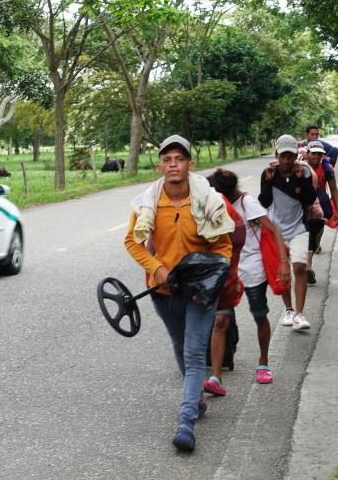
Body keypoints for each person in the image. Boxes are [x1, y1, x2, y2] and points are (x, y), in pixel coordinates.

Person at [124, 135, 234, 452]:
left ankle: (186, 421)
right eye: (168, 159)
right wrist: (156, 269)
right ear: (160, 166)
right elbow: (132, 241)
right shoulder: (147, 203)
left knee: (195, 352)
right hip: (163, 290)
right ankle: (196, 398)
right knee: (179, 343)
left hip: (201, 292)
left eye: (180, 159)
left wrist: (207, 287)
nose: (174, 164)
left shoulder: (209, 201)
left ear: (190, 165)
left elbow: (223, 247)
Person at [207, 169, 290, 387]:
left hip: (252, 269)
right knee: (220, 320)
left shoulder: (247, 204)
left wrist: (283, 262)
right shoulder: (214, 205)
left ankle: (263, 363)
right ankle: (216, 376)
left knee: (259, 315)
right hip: (227, 270)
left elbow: (274, 232)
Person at [259, 135, 316, 331]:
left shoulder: (305, 172)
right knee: (282, 273)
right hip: (277, 231)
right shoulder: (269, 173)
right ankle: (289, 310)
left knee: (299, 267)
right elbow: (264, 202)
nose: (286, 161)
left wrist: (301, 180)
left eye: (290, 156)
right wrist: (267, 183)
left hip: (299, 227)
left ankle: (299, 315)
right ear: (277, 155)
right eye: (283, 156)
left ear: (295, 156)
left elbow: (309, 199)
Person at [203, 170, 246, 397]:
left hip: (223, 275)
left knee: (220, 320)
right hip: (198, 276)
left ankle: (215, 376)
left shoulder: (234, 218)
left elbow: (234, 251)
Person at [304, 140, 338, 285]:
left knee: (314, 235)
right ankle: (307, 265)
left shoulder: (327, 168)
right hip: (302, 204)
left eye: (319, 154)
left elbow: (333, 189)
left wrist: (337, 210)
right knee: (307, 234)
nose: (316, 157)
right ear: (307, 154)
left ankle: (308, 265)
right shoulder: (299, 167)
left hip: (320, 204)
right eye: (313, 153)